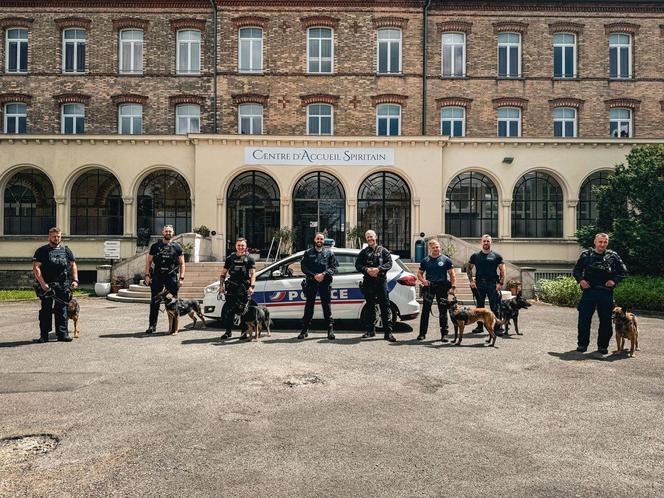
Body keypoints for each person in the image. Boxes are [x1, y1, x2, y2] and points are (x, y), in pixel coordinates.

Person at [573, 232, 627, 355]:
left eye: (605, 242)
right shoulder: (586, 255)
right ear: (595, 242)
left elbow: (623, 271)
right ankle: (582, 344)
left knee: (606, 321)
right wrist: (581, 280)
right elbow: (576, 270)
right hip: (589, 291)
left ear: (607, 243)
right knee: (584, 320)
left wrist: (614, 280)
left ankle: (602, 346)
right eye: (600, 242)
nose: (602, 244)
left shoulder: (613, 256)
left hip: (605, 293)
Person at [32, 227, 79, 342]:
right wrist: (42, 284)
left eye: (58, 236)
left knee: (62, 310)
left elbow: (73, 265)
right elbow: (36, 267)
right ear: (49, 237)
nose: (56, 238)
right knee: (46, 310)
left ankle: (62, 334)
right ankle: (44, 335)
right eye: (54, 236)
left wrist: (75, 280)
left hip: (63, 285)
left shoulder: (66, 251)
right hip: (47, 286)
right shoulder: (42, 251)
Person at [355, 230, 396, 342]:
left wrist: (378, 269)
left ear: (376, 237)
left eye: (371, 236)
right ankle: (370, 331)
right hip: (368, 282)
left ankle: (388, 333)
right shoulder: (363, 252)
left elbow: (389, 263)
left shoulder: (383, 251)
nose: (370, 239)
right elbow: (358, 265)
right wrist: (367, 269)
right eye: (368, 237)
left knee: (385, 307)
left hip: (381, 282)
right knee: (370, 307)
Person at [144, 225, 185, 334]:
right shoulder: (155, 246)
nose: (168, 233)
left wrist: (181, 278)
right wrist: (147, 275)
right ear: (163, 232)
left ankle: (174, 328)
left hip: (171, 278)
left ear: (173, 233)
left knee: (174, 304)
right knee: (154, 302)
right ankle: (152, 326)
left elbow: (182, 263)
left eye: (169, 231)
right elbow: (148, 262)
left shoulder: (177, 247)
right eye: (166, 231)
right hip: (157, 277)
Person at [298, 233, 339, 340]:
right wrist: (314, 276)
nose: (319, 240)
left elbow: (334, 268)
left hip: (325, 283)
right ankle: (304, 330)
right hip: (311, 282)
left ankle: (330, 330)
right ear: (314, 240)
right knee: (309, 306)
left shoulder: (329, 253)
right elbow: (304, 267)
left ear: (324, 241)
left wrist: (324, 274)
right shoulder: (308, 253)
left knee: (326, 306)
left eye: (321, 239)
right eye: (318, 239)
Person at [417, 239, 456, 342]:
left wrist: (453, 287)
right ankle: (422, 334)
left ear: (440, 247)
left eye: (437, 247)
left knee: (443, 311)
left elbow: (452, 274)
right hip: (429, 287)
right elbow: (419, 273)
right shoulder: (425, 260)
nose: (436, 249)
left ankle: (444, 334)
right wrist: (423, 280)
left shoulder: (446, 259)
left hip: (442, 287)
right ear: (430, 249)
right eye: (433, 247)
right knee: (425, 311)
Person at [467, 234, 505, 335]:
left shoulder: (497, 256)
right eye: (484, 241)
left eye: (488, 241)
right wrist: (471, 281)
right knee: (479, 307)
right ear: (481, 242)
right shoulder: (475, 256)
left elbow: (502, 270)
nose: (486, 243)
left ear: (491, 242)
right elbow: (468, 268)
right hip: (479, 284)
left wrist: (500, 283)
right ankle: (480, 327)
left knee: (495, 306)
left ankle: (498, 328)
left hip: (492, 284)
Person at [219, 238, 256, 340]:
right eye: (239, 245)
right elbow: (223, 274)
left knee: (244, 311)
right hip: (231, 287)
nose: (240, 247)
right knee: (229, 311)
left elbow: (253, 274)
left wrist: (252, 287)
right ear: (236, 246)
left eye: (242, 245)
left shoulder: (250, 258)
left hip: (243, 287)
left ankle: (244, 332)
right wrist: (221, 286)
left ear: (246, 246)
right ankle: (228, 332)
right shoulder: (230, 258)